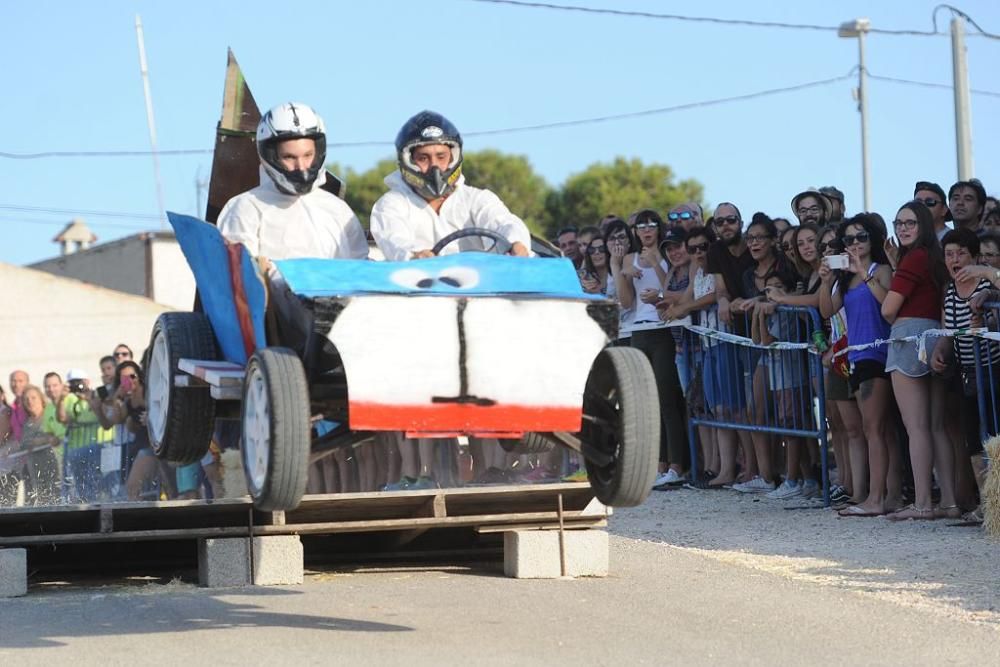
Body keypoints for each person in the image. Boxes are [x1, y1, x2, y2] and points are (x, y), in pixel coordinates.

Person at [218, 102, 369, 265]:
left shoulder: (337, 209)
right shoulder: (245, 208)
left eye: (308, 155)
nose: (301, 167)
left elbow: (361, 269)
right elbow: (240, 275)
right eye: (290, 157)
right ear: (270, 156)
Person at [370, 110, 530, 261]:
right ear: (409, 162)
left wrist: (516, 244)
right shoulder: (391, 205)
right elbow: (394, 240)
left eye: (441, 157)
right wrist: (414, 256)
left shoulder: (477, 199)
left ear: (453, 158)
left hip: (482, 288)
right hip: (420, 287)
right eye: (424, 158)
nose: (435, 167)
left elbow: (504, 223)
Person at [819, 215, 899, 516]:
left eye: (861, 237)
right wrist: (826, 281)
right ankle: (888, 497)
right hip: (856, 356)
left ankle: (876, 499)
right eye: (848, 239)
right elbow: (828, 310)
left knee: (874, 429)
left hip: (877, 353)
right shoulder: (845, 278)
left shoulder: (882, 269)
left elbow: (888, 304)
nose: (854, 243)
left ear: (873, 239)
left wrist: (864, 272)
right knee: (881, 430)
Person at [881, 201, 955, 521]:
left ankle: (923, 502)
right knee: (937, 427)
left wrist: (897, 270)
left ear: (923, 224)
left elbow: (887, 309)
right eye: (898, 223)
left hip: (907, 335)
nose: (902, 228)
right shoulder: (936, 258)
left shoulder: (913, 258)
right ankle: (950, 502)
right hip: (937, 336)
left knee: (917, 428)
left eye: (910, 222)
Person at [931, 228, 1000, 522]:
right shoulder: (949, 291)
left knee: (995, 436)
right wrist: (940, 349)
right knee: (973, 439)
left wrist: (987, 275)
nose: (954, 259)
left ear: (973, 257)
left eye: (961, 253)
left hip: (994, 372)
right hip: (967, 373)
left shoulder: (988, 285)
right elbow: (950, 330)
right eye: (949, 254)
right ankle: (988, 503)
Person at [616, 209, 689, 487]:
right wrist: (622, 271)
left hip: (662, 330)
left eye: (651, 225)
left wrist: (655, 263)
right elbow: (625, 302)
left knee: (667, 399)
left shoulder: (668, 254)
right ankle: (658, 463)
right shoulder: (628, 258)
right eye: (641, 226)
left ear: (659, 228)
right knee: (648, 402)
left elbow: (670, 287)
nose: (646, 230)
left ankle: (676, 464)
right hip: (637, 330)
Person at [16, 385, 61, 505]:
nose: (30, 401)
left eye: (33, 397)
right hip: (35, 467)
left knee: (56, 495)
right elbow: (24, 445)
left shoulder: (50, 415)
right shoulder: (27, 423)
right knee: (41, 497)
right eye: (26, 399)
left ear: (41, 399)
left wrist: (40, 441)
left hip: (53, 463)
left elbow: (60, 435)